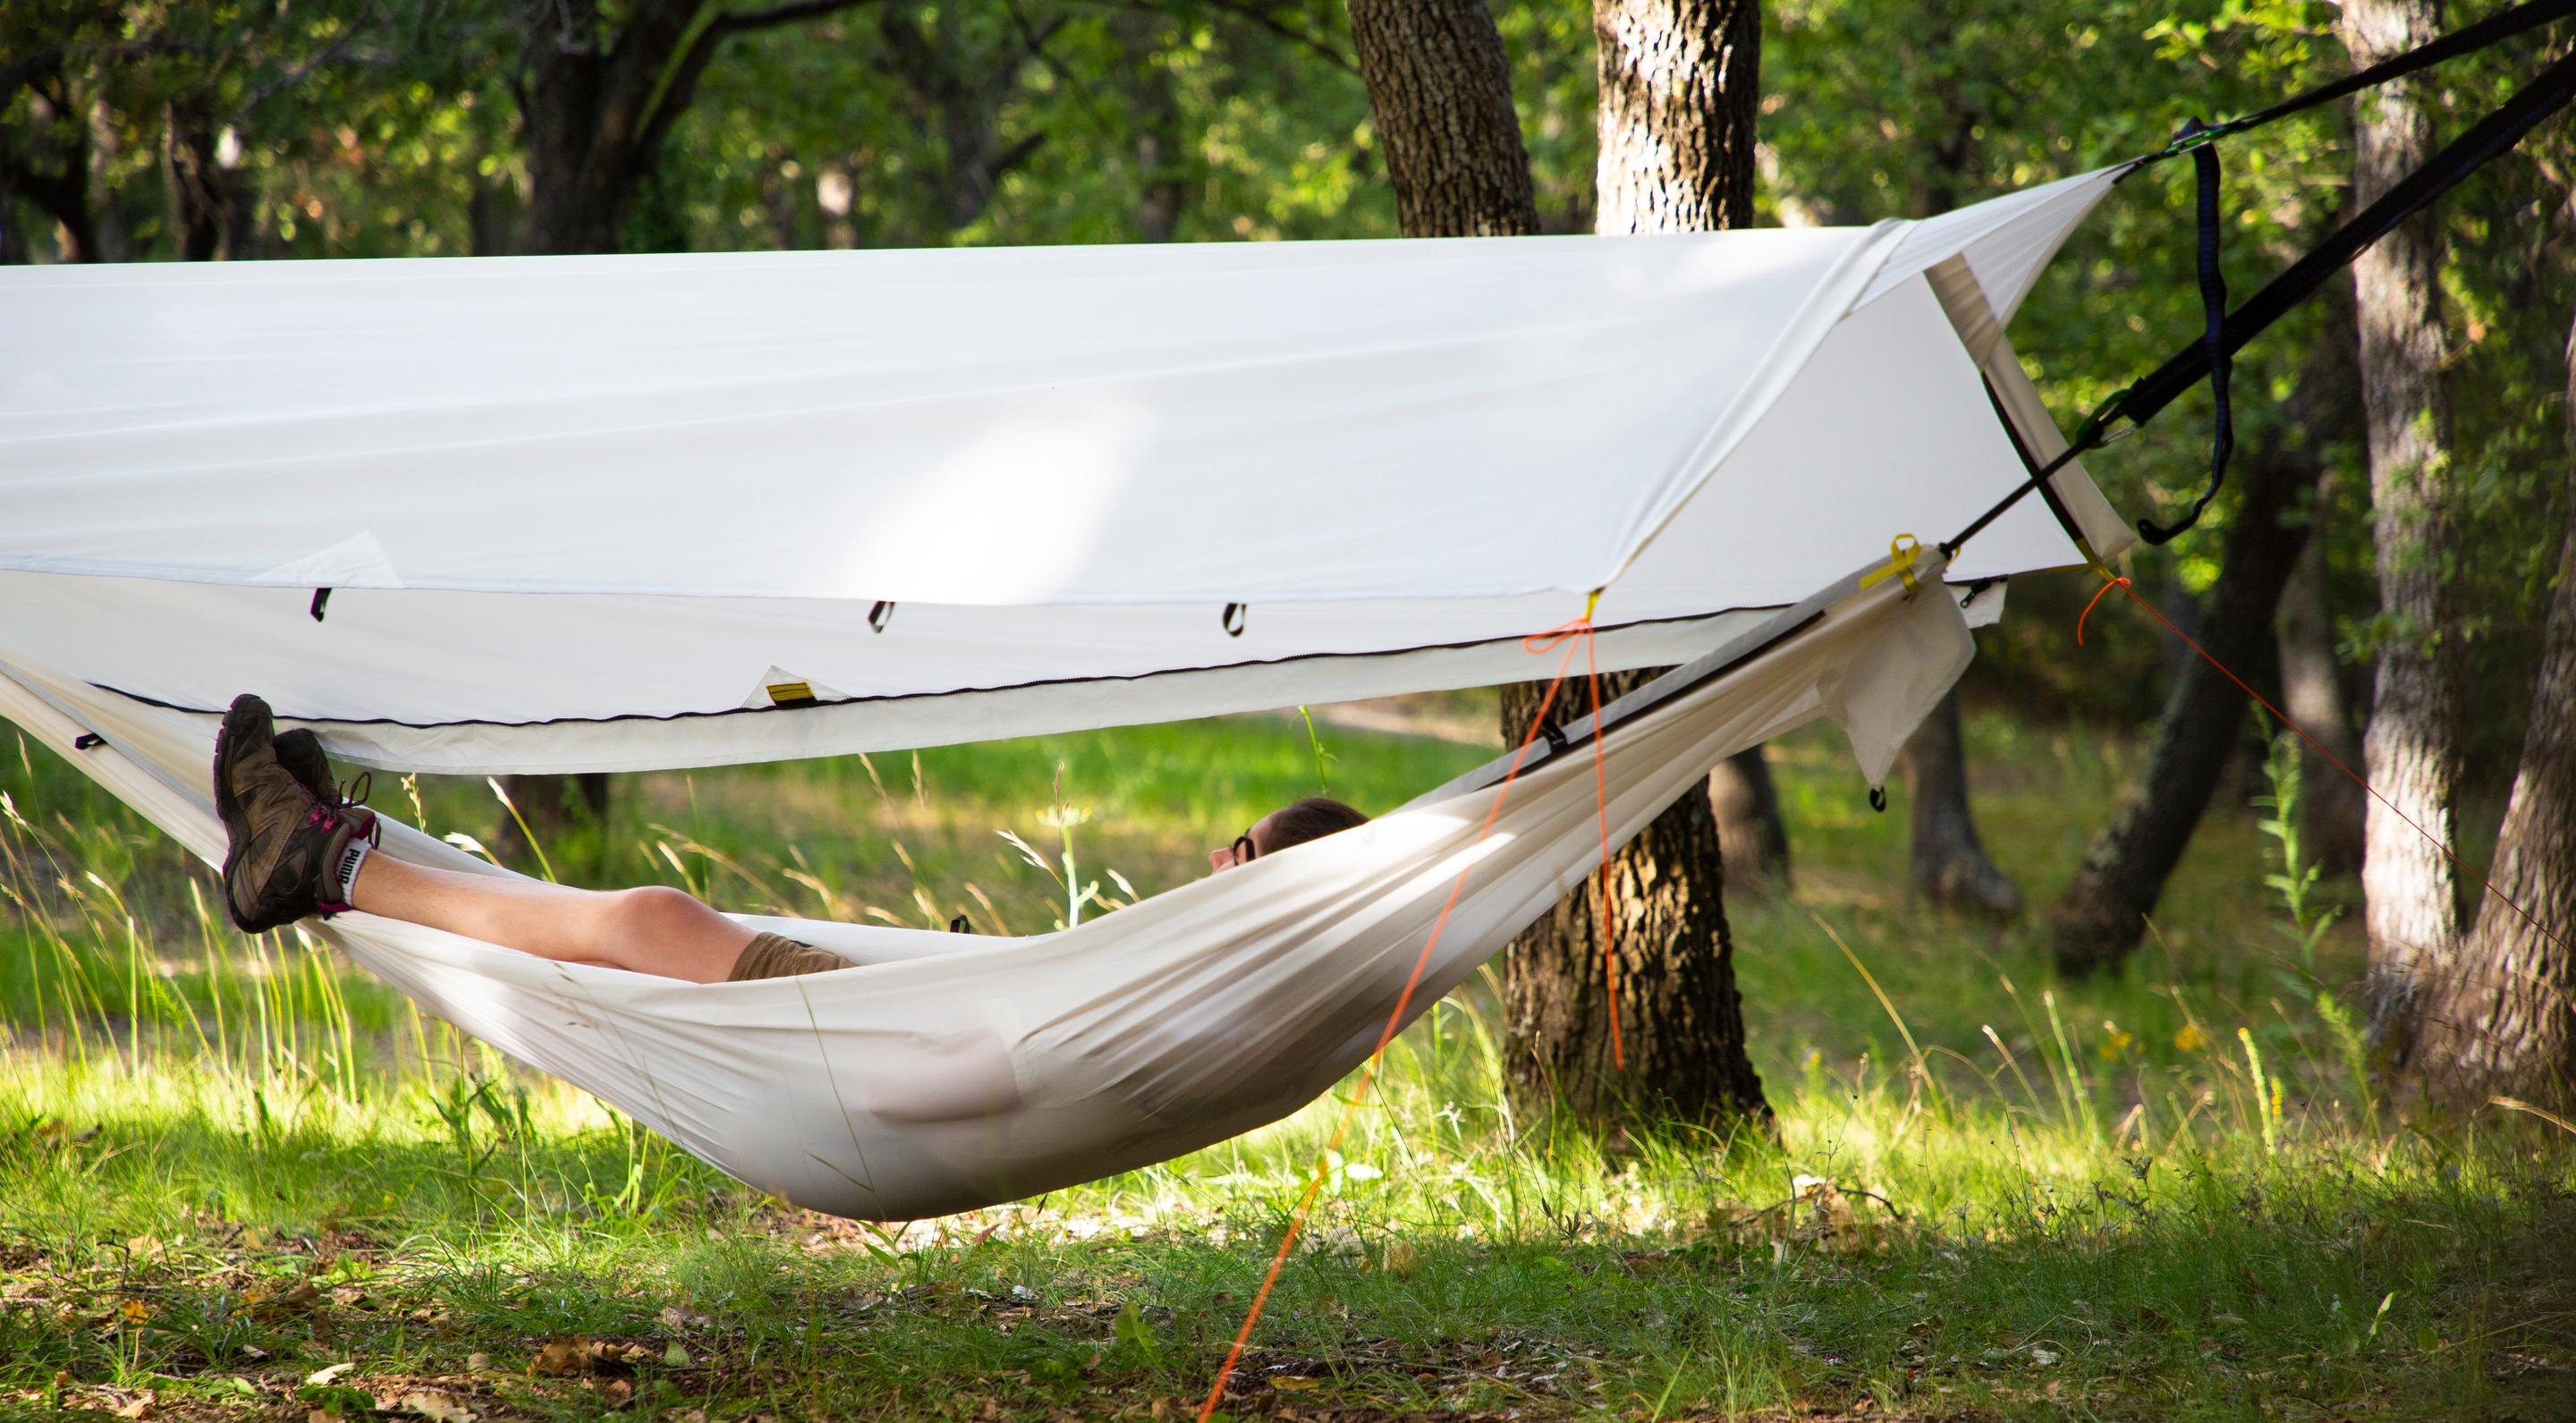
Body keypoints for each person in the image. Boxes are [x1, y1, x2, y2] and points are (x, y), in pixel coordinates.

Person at [211, 694, 1368, 984]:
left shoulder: (1223, 973)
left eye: (1250, 858)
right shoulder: (1208, 959)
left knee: (651, 919)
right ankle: (339, 856)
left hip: (942, 1045)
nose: (1220, 860)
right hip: (952, 1014)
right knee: (648, 927)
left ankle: (325, 865)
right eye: (1235, 837)